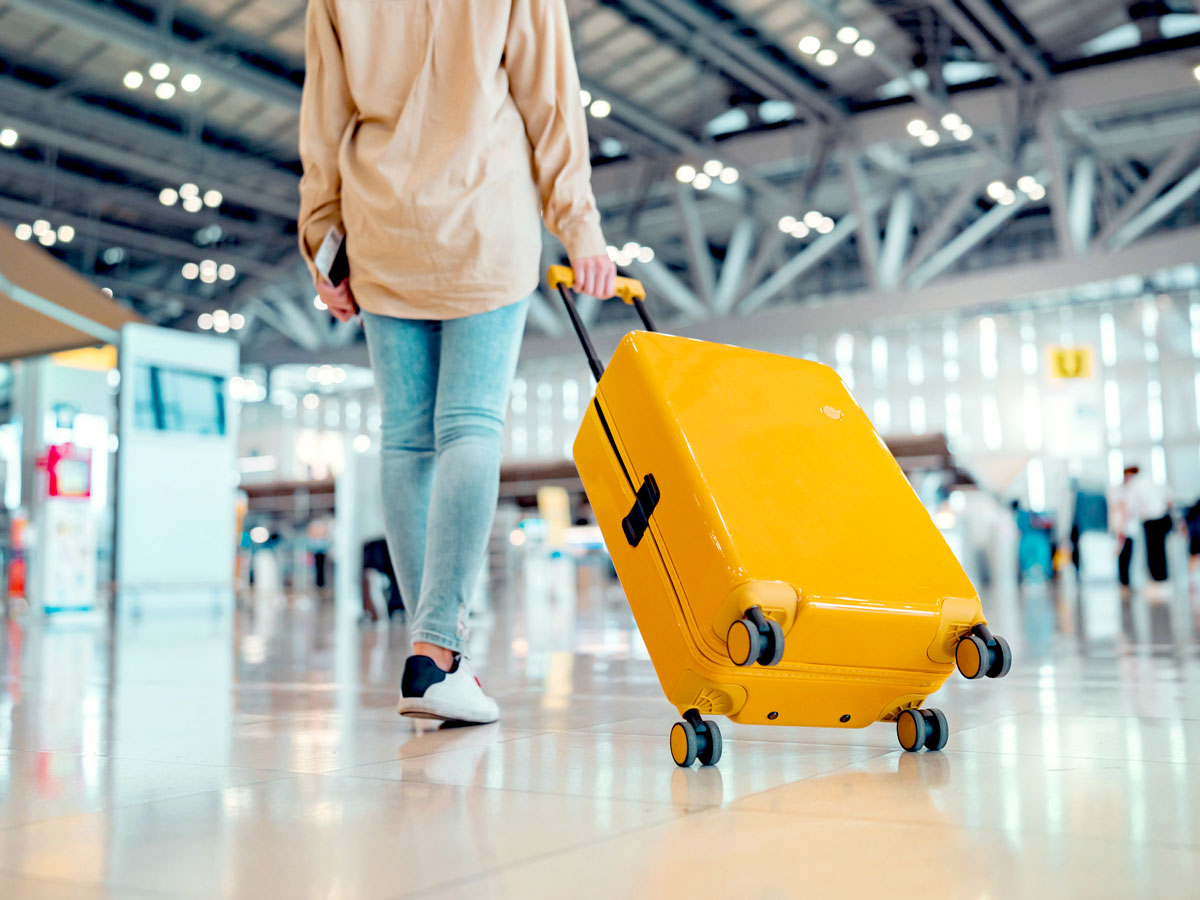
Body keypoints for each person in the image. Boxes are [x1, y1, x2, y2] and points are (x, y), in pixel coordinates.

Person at [298, 0, 614, 724]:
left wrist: (321, 237)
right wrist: (580, 225)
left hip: (383, 226)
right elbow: (550, 99)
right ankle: (437, 653)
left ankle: (429, 659)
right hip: (484, 218)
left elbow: (322, 117)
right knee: (470, 423)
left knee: (408, 439)